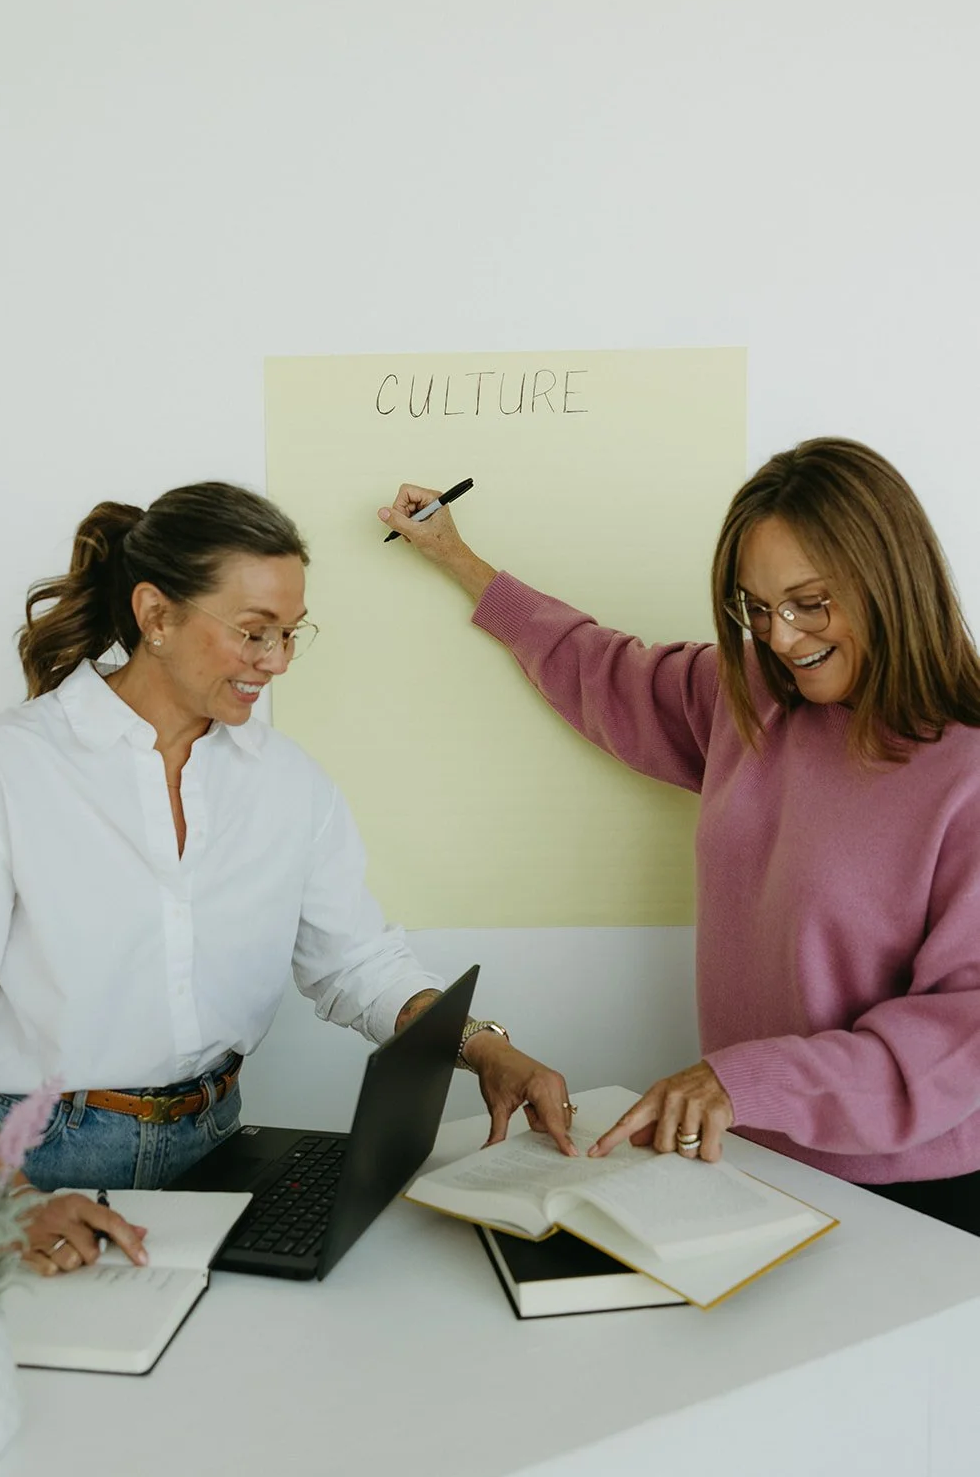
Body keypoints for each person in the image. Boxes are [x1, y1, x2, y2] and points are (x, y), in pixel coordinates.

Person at [0, 481, 575, 1277]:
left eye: (293, 634)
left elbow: (353, 963)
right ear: (156, 615)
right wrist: (3, 1199)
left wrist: (477, 1047)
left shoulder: (287, 784)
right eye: (255, 632)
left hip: (217, 1145)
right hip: (33, 1162)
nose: (278, 662)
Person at [378, 438, 980, 1235]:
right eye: (755, 608)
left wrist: (744, 1082)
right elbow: (598, 666)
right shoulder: (753, 700)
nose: (782, 637)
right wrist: (457, 557)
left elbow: (961, 1032)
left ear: (889, 580)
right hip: (750, 1161)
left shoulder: (964, 770)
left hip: (914, 1195)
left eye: (809, 602)